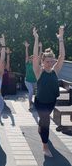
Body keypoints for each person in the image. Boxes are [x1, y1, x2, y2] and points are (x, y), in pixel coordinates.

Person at [33, 26, 65, 157]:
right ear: (43, 61)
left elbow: (62, 56)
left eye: (52, 61)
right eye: (47, 61)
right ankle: (45, 147)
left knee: (43, 120)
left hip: (51, 102)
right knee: (46, 122)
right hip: (40, 102)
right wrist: (36, 38)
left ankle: (41, 126)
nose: (50, 63)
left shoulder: (55, 71)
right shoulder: (39, 72)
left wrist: (61, 39)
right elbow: (35, 56)